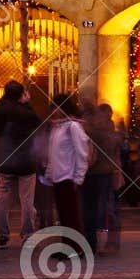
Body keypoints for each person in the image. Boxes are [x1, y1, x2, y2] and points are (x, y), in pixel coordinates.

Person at [0, 80, 40, 247]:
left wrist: (6, 99)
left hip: (5, 159)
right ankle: (27, 235)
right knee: (27, 200)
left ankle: (2, 235)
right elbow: (36, 121)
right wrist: (26, 103)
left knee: (2, 198)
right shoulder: (26, 112)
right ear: (21, 95)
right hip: (26, 161)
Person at [41, 94, 90, 236]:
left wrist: (78, 178)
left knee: (71, 217)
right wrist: (49, 173)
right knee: (63, 216)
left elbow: (82, 153)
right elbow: (52, 153)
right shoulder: (56, 127)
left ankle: (75, 245)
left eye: (56, 107)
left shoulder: (73, 126)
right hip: (57, 179)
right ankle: (67, 244)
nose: (53, 111)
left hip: (68, 178)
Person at [82, 101, 121, 256]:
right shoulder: (105, 130)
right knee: (95, 209)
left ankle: (107, 243)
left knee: (104, 208)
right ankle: (96, 243)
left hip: (102, 173)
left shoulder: (104, 130)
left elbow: (111, 149)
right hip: (96, 172)